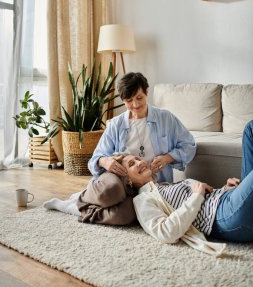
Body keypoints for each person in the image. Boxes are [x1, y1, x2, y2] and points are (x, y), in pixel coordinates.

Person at [44, 120, 253, 256]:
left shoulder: (161, 185)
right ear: (129, 182)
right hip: (224, 217)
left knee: (250, 129)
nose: (139, 162)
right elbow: (166, 232)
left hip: (227, 199)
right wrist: (197, 195)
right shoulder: (142, 200)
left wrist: (224, 189)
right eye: (132, 165)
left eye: (137, 158)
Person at [88, 72, 196, 183]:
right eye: (129, 101)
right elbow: (94, 159)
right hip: (127, 191)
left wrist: (168, 158)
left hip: (160, 186)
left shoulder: (166, 118)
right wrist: (104, 161)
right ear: (123, 100)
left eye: (139, 98)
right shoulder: (116, 125)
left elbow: (189, 145)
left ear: (147, 92)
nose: (135, 105)